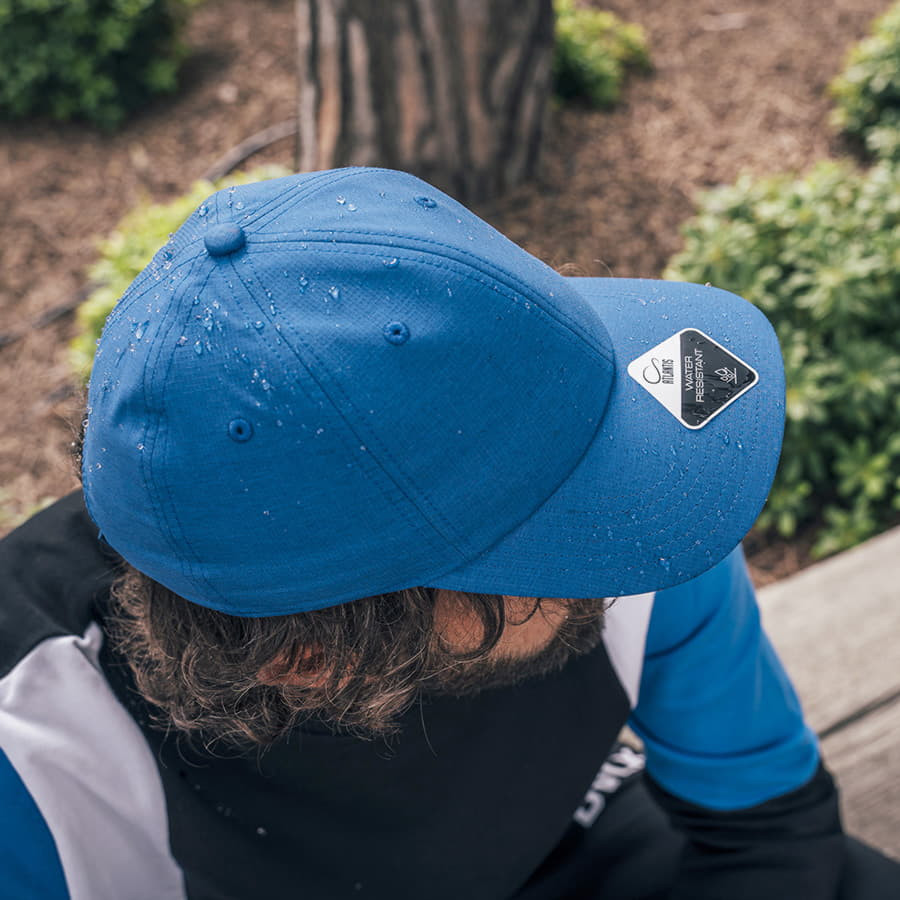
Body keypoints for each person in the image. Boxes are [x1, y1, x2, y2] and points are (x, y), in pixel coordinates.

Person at [0, 167, 897, 900]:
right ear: (309, 661)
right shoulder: (36, 756)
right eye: (550, 537)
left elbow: (769, 832)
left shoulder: (619, 475)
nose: (620, 540)